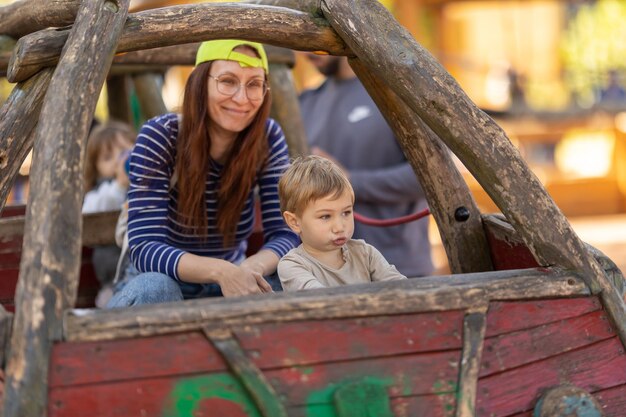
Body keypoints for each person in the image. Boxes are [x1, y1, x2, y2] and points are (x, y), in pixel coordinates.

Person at [107, 39, 299, 307]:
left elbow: (287, 232)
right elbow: (144, 248)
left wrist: (248, 270)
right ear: (200, 83)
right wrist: (221, 272)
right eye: (228, 81)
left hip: (234, 277)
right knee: (156, 288)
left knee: (290, 281)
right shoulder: (160, 135)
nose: (242, 98)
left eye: (254, 84)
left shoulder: (268, 136)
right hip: (160, 281)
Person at [298, 54, 434, 277]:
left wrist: (350, 181)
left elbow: (434, 178)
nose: (306, 52)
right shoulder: (306, 102)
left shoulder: (397, 93)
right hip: (328, 273)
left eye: (310, 39)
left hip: (397, 267)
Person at [277, 155, 406, 290]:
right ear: (295, 222)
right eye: (325, 216)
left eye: (346, 213)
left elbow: (402, 288)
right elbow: (322, 301)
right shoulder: (292, 265)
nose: (339, 227)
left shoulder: (365, 253)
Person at [82, 121, 135, 303]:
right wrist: (120, 185)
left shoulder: (147, 179)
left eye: (123, 151)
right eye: (107, 157)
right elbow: (90, 211)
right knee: (108, 301)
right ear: (95, 168)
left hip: (142, 267)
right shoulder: (100, 191)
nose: (116, 161)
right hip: (112, 277)